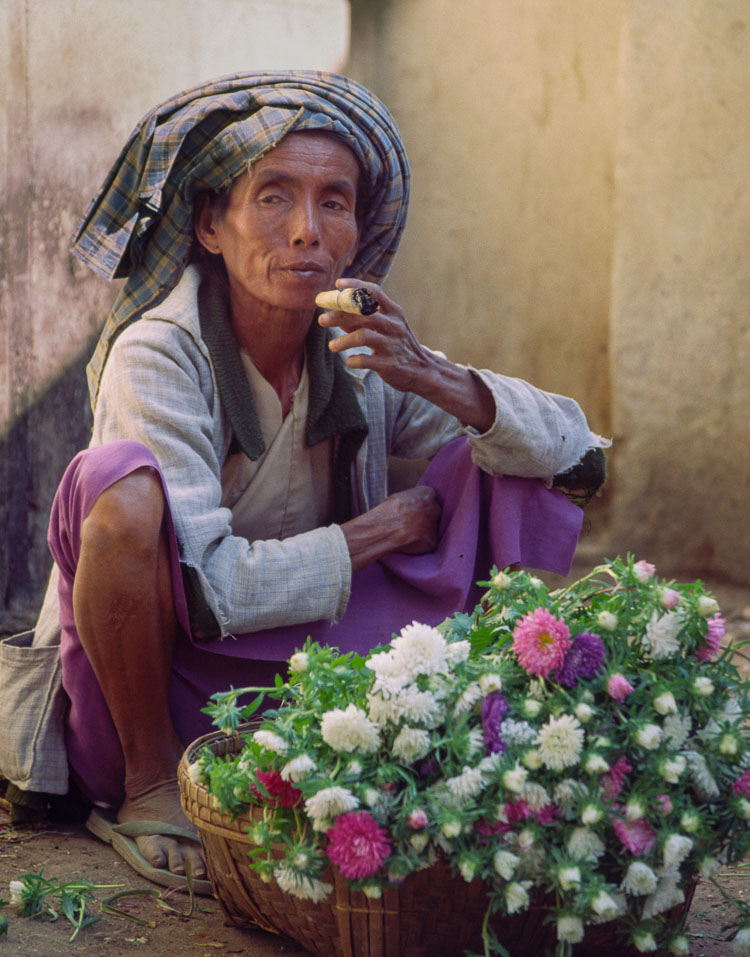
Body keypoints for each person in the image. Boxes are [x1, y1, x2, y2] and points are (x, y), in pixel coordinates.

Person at [1, 72, 608, 889]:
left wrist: (432, 375)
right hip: (166, 687)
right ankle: (147, 789)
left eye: (334, 201)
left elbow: (579, 460)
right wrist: (377, 532)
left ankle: (445, 714)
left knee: (494, 447)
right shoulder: (160, 353)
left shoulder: (352, 339)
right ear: (211, 225)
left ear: (357, 229)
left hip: (307, 678)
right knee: (120, 488)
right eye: (274, 198)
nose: (305, 233)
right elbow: (206, 590)